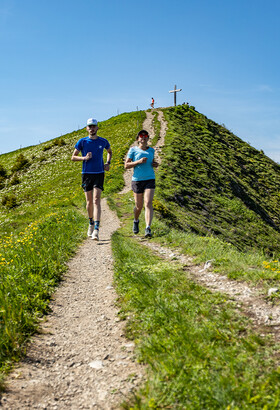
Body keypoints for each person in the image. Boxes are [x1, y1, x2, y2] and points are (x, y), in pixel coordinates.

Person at [71, 118, 112, 241]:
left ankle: (96, 230)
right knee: (89, 202)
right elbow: (73, 157)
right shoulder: (82, 142)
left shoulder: (103, 141)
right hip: (86, 174)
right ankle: (90, 223)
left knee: (96, 200)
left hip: (99, 173)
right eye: (89, 126)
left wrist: (108, 163)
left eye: (94, 126)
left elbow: (109, 151)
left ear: (97, 128)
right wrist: (84, 158)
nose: (92, 128)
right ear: (86, 128)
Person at [125, 130, 158, 238]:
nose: (143, 138)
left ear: (148, 138)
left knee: (148, 203)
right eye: (141, 136)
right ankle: (136, 220)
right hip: (137, 180)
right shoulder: (133, 150)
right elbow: (126, 165)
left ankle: (148, 228)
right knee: (138, 206)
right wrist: (138, 162)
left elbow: (153, 162)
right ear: (138, 139)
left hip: (150, 178)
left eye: (145, 136)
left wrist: (155, 164)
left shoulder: (152, 150)